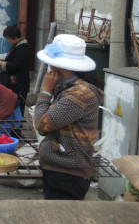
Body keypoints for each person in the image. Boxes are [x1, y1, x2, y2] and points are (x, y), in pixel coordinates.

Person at [33, 34, 103, 200]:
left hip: (67, 173)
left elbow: (42, 125)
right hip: (61, 169)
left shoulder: (78, 94)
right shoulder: (70, 87)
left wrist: (45, 92)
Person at [0, 24, 31, 115]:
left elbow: (17, 64)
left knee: (17, 105)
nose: (8, 41)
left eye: (8, 38)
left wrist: (2, 64)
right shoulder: (17, 46)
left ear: (14, 37)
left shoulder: (23, 48)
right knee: (11, 105)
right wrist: (2, 61)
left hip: (19, 83)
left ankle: (16, 127)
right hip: (13, 83)